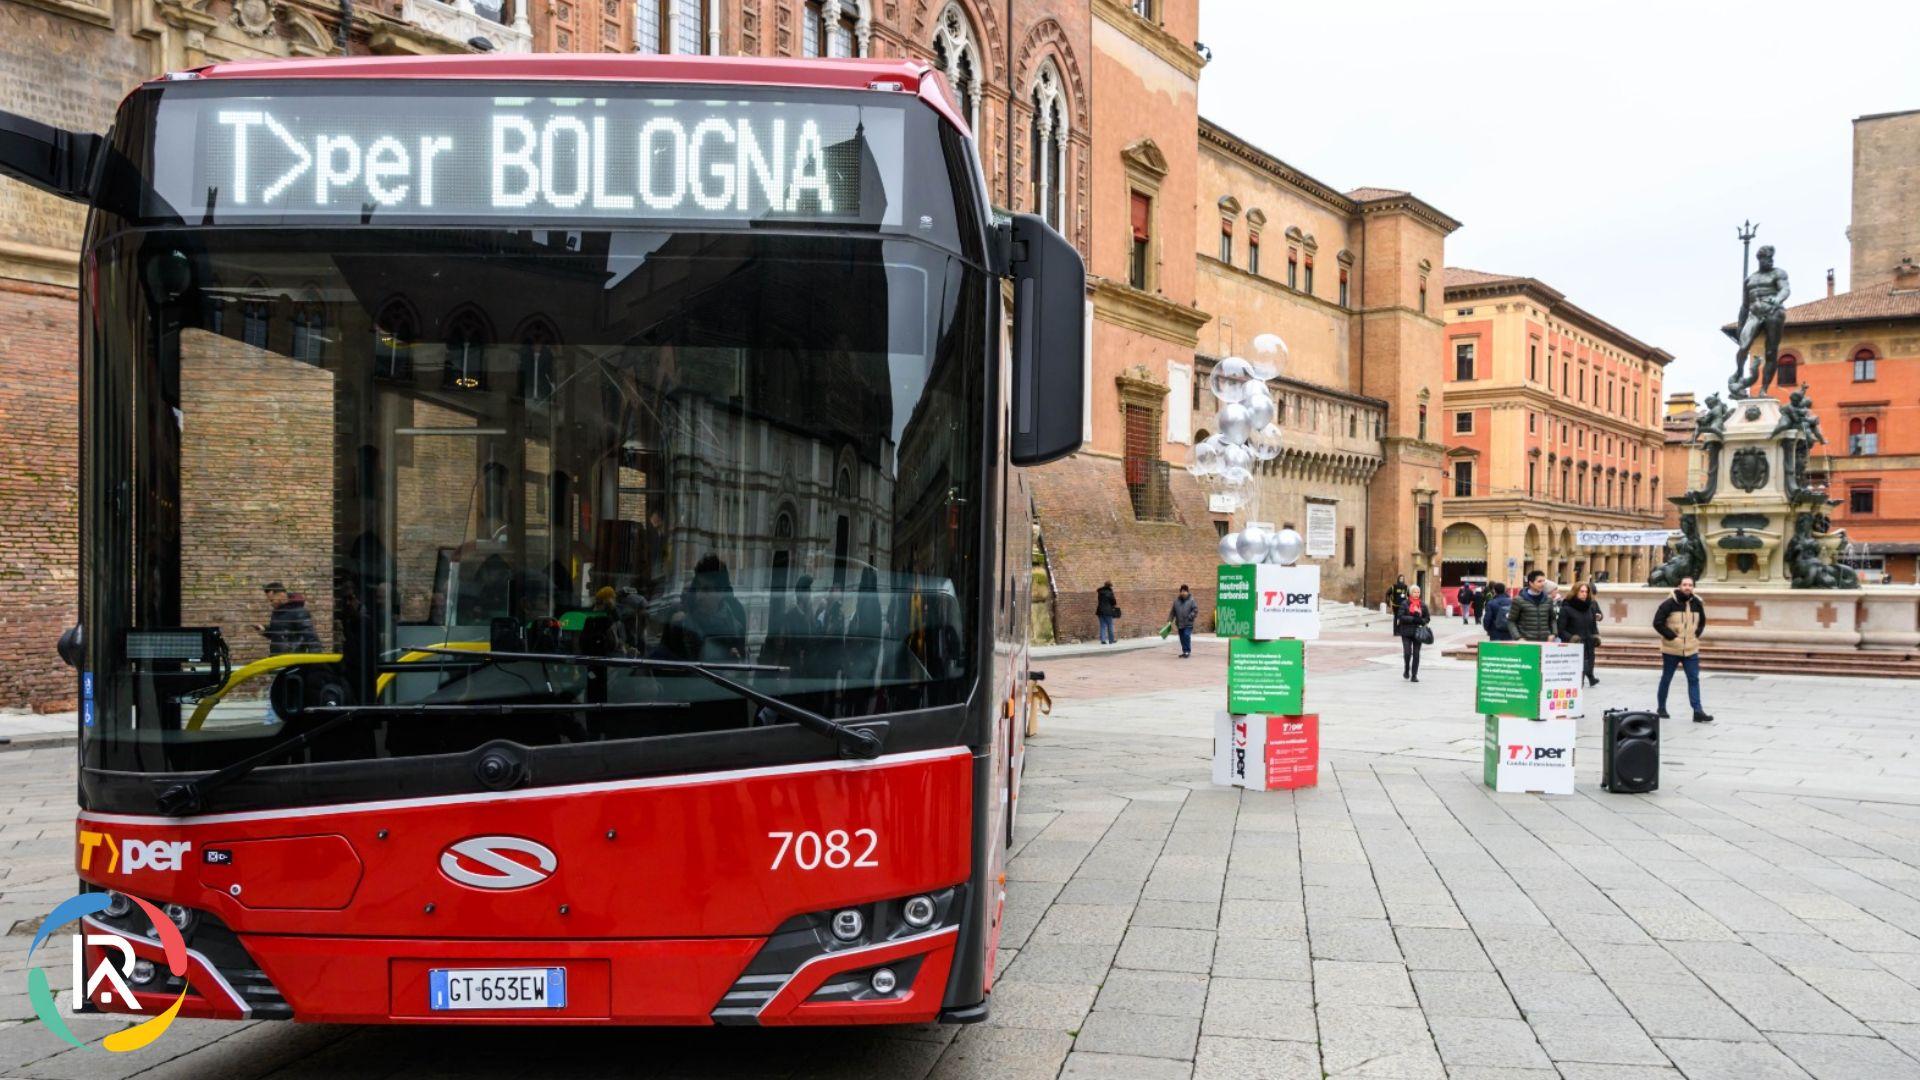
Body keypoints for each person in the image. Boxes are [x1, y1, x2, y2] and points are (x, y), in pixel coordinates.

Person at [1653, 576, 1713, 723]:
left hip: (1691, 649)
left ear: (1693, 587)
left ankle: (1697, 711)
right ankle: (1661, 708)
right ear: (1679, 586)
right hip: (1671, 649)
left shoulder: (1697, 603)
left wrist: (1696, 635)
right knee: (1666, 679)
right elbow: (1657, 622)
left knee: (1694, 679)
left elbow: (1702, 622)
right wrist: (1671, 636)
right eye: (1684, 584)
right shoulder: (1669, 603)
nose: (1687, 587)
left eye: (1690, 585)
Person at [1556, 580, 1603, 687]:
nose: (1584, 594)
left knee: (1588, 665)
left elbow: (1593, 625)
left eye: (1586, 592)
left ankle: (1588, 680)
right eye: (1581, 591)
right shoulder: (1566, 608)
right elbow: (1560, 630)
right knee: (1577, 674)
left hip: (1588, 643)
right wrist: (1572, 638)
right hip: (1574, 646)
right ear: (1575, 592)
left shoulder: (1590, 606)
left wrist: (1596, 636)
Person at [257, 581, 322, 655]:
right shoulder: (277, 612)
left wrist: (314, 658)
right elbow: (278, 635)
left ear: (281, 595)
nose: (271, 603)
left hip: (293, 658)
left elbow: (311, 636)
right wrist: (265, 630)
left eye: (272, 600)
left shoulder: (299, 611)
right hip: (277, 658)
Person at [1394, 585, 1431, 682]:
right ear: (1410, 593)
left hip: (1418, 632)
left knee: (1416, 654)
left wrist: (1422, 621)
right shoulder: (1405, 604)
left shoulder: (1423, 605)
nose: (1416, 594)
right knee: (1407, 653)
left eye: (1418, 592)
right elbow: (1400, 616)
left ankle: (1414, 675)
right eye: (1414, 592)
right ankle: (1406, 668)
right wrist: (1413, 619)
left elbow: (1427, 618)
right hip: (1406, 632)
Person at [1511, 570, 1557, 642]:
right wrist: (1518, 637)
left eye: (1543, 581)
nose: (1542, 584)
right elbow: (1511, 621)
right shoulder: (1519, 600)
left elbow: (1552, 619)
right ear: (1531, 583)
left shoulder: (1548, 599)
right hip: (1526, 642)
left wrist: (1554, 634)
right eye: (1539, 581)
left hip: (1545, 641)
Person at [1167, 584, 1199, 659]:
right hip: (1180, 623)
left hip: (1188, 623)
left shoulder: (1191, 600)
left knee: (1186, 636)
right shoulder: (1176, 601)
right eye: (1181, 591)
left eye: (1184, 591)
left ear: (1187, 592)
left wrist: (1190, 617)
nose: (1183, 593)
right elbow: (1173, 612)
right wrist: (1170, 620)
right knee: (1182, 638)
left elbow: (1195, 610)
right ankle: (1185, 651)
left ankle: (1188, 651)